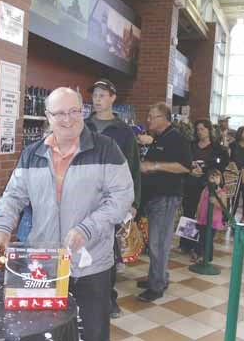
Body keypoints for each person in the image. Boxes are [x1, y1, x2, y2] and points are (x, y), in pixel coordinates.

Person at [0, 87, 134, 341]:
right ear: (48, 116)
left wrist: (87, 229)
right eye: (60, 113)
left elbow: (122, 198)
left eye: (74, 111)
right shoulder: (32, 154)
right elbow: (13, 197)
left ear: (82, 111)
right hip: (43, 263)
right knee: (40, 332)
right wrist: (0, 228)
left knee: (92, 334)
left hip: (91, 264)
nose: (68, 119)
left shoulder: (106, 149)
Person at [85, 78, 141, 319]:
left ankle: (108, 299)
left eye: (102, 95)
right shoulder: (82, 125)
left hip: (111, 199)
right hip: (83, 196)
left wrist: (134, 202)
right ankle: (81, 297)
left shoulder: (123, 131)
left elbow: (134, 167)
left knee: (107, 250)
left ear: (112, 98)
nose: (97, 99)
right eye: (95, 95)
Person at [136, 102, 192, 302]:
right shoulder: (159, 138)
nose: (148, 120)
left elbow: (185, 166)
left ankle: (157, 286)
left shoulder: (177, 139)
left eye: (152, 116)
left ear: (164, 119)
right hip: (154, 197)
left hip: (166, 198)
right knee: (154, 241)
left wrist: (154, 165)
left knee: (159, 243)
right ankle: (157, 276)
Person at [180, 119, 228, 254]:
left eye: (203, 129)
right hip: (191, 183)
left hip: (207, 185)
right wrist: (191, 170)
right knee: (189, 211)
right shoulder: (191, 145)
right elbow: (183, 160)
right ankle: (186, 243)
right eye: (198, 129)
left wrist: (207, 171)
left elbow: (221, 164)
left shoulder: (216, 148)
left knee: (204, 214)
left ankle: (201, 246)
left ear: (209, 130)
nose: (200, 132)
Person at [193, 169, 227, 262]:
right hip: (203, 218)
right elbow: (200, 202)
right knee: (202, 236)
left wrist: (216, 202)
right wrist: (198, 214)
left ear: (220, 179)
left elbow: (224, 207)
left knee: (209, 238)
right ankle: (199, 254)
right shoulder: (205, 190)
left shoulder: (222, 193)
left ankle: (208, 257)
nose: (214, 179)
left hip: (213, 220)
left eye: (217, 177)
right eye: (212, 177)